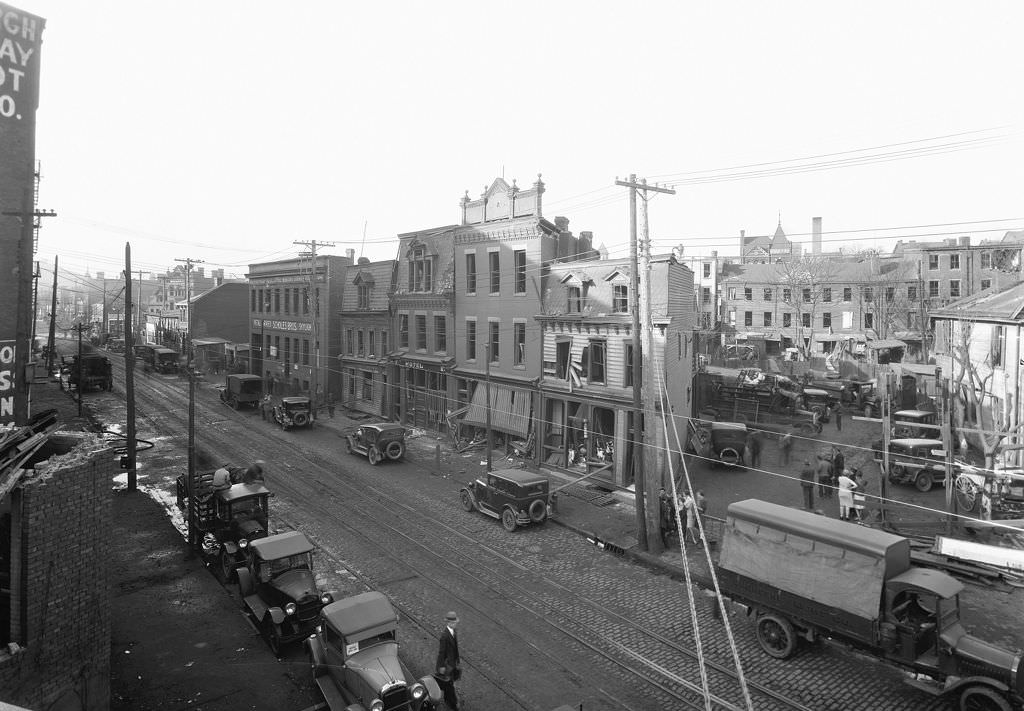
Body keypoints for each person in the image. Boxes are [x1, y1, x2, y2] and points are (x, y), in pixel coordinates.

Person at [434, 611, 461, 711]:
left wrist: (457, 660)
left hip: (453, 663)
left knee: (449, 683)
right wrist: (440, 666)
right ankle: (453, 705)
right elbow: (441, 653)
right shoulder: (444, 636)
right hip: (447, 665)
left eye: (455, 622)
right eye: (453, 623)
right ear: (449, 623)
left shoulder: (454, 631)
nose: (455, 624)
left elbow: (455, 648)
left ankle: (447, 699)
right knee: (449, 684)